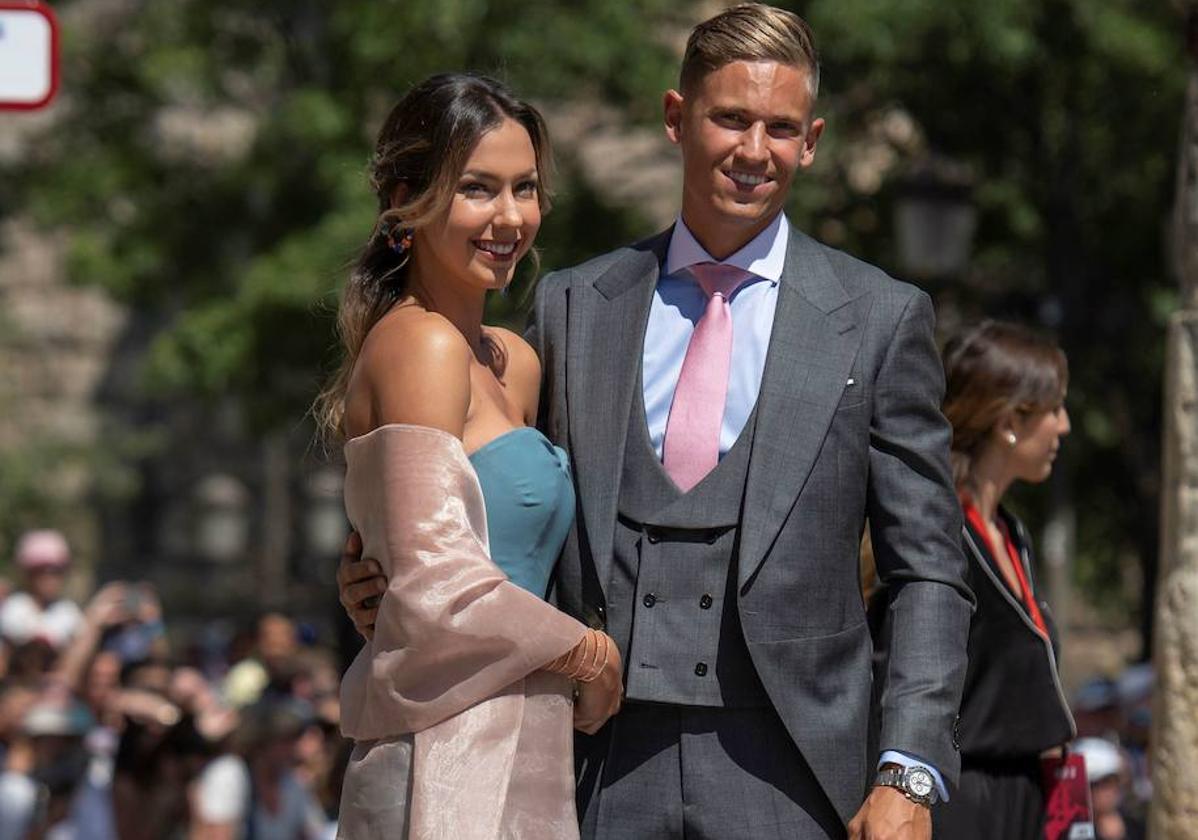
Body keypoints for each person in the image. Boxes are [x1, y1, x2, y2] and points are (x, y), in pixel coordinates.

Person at [339, 5, 973, 839]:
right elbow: (465, 493)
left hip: (797, 776)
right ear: (678, 120)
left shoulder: (881, 318)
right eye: (731, 119)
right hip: (591, 770)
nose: (755, 151)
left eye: (781, 128)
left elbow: (928, 569)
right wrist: (366, 571)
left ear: (811, 141)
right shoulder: (570, 307)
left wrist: (910, 771)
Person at [315, 74, 623, 839]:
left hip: (526, 741)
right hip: (445, 756)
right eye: (478, 189)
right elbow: (436, 583)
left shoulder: (513, 361)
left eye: (526, 188)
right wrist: (586, 653)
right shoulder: (417, 344)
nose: (511, 216)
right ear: (405, 200)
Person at [931, 320, 1077, 838]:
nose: (1063, 426)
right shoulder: (939, 534)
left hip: (1026, 794)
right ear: (1010, 422)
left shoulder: (1010, 533)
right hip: (961, 802)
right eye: (1054, 408)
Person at [0, 530, 83, 652]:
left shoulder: (68, 611)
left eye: (56, 572)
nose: (50, 579)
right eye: (42, 572)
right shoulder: (14, 607)